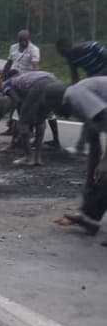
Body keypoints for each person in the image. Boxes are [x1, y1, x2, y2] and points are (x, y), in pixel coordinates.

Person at [58, 78, 107, 239]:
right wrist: (89, 180)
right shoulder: (88, 105)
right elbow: (94, 148)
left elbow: (101, 115)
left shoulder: (75, 93)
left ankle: (89, 217)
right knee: (102, 176)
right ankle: (89, 218)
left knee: (105, 175)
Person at [1, 70, 65, 165]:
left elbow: (17, 101)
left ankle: (28, 157)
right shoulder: (24, 77)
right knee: (40, 120)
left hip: (39, 86)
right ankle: (37, 158)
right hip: (55, 83)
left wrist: (16, 118)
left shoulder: (7, 84)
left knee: (23, 123)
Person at [56, 38, 107, 154]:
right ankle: (81, 146)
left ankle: (84, 146)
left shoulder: (93, 47)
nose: (63, 56)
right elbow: (75, 77)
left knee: (98, 114)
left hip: (102, 81)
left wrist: (97, 77)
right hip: (94, 85)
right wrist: (74, 91)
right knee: (91, 113)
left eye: (63, 53)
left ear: (67, 47)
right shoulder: (71, 58)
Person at [0, 30, 40, 136]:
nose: (22, 42)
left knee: (24, 104)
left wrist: (35, 79)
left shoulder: (34, 50)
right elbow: (9, 63)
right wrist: (1, 77)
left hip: (27, 81)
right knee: (14, 102)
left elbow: (35, 66)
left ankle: (29, 129)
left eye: (24, 40)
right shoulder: (13, 47)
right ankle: (11, 128)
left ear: (28, 39)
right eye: (20, 40)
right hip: (14, 79)